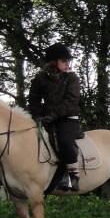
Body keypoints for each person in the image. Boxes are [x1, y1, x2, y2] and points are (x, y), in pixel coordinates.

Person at [28, 42, 83, 191]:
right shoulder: (40, 78)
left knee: (64, 141)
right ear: (53, 62)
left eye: (68, 61)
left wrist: (53, 115)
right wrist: (37, 115)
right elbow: (34, 99)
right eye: (64, 61)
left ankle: (73, 176)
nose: (68, 64)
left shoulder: (71, 78)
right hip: (46, 119)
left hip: (67, 118)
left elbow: (71, 101)